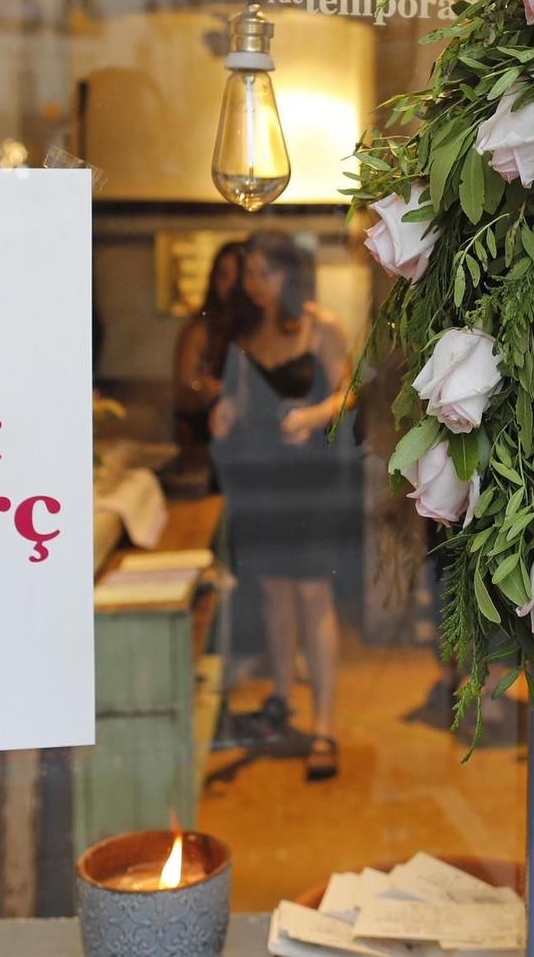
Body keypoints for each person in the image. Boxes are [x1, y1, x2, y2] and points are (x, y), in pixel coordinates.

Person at [208, 232, 357, 781]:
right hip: (262, 476)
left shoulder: (322, 327)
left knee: (314, 592)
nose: (252, 285)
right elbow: (239, 399)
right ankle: (281, 699)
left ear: (290, 277)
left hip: (311, 479)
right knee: (273, 591)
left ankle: (324, 725)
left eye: (262, 274)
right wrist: (225, 411)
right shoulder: (246, 333)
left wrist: (313, 415)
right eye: (248, 274)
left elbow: (350, 393)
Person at [173, 239, 248, 484]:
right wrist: (200, 390)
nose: (231, 285)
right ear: (213, 280)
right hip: (211, 451)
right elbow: (181, 396)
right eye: (223, 276)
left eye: (239, 276)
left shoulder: (262, 331)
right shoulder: (200, 332)